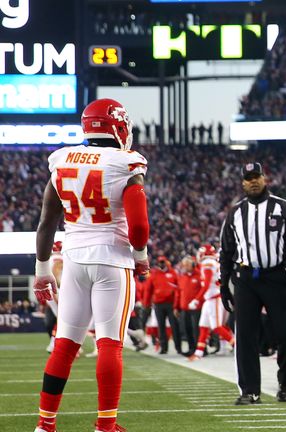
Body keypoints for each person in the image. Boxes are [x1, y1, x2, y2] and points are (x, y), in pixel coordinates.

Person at [32, 98, 150, 432]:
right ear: (117, 125)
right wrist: (141, 257)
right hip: (112, 259)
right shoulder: (126, 162)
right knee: (110, 343)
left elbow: (46, 222)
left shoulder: (63, 158)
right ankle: (105, 425)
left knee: (65, 343)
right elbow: (139, 226)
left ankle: (45, 424)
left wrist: (42, 271)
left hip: (72, 259)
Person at [219, 161, 286, 404]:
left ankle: (285, 381)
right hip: (246, 278)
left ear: (265, 178)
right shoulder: (235, 212)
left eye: (256, 176)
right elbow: (225, 251)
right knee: (245, 335)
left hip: (275, 276)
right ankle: (250, 391)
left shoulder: (283, 207)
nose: (253, 181)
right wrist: (224, 283)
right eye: (248, 178)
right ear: (242, 182)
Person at [188, 244, 235, 361]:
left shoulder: (208, 263)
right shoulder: (212, 263)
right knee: (203, 326)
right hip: (210, 298)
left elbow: (208, 283)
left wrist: (196, 299)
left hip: (214, 297)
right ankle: (198, 353)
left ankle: (238, 347)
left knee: (217, 327)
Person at [144, 256, 182, 355]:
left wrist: (178, 304)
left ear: (166, 262)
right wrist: (146, 303)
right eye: (160, 262)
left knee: (175, 326)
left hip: (171, 304)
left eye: (163, 262)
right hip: (158, 304)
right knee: (161, 327)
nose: (161, 264)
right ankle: (164, 348)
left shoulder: (173, 273)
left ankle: (178, 348)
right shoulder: (154, 274)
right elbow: (148, 290)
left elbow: (179, 288)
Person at [176, 255, 202, 355]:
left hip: (196, 308)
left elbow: (203, 291)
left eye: (187, 265)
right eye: (184, 265)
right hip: (184, 308)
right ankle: (192, 348)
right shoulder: (182, 277)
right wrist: (176, 307)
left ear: (192, 264)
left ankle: (199, 348)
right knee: (187, 329)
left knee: (196, 329)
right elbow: (178, 293)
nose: (185, 267)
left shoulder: (199, 275)